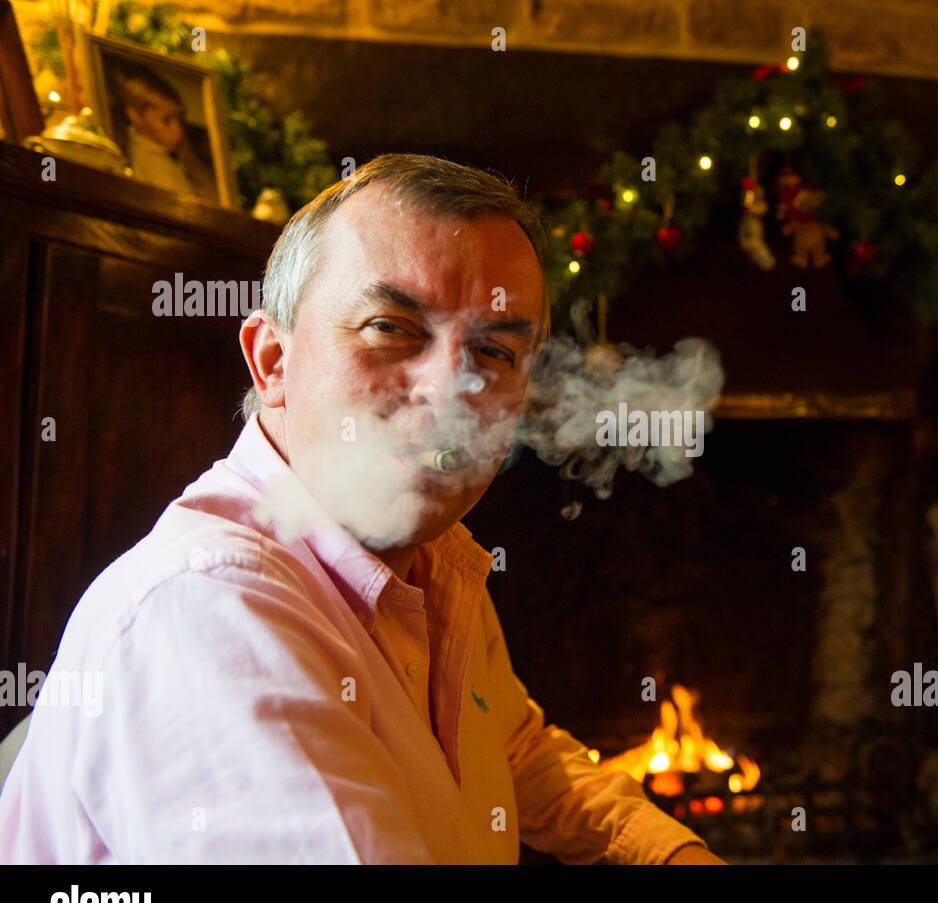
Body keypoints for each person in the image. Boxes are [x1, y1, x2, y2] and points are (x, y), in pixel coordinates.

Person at [0, 154, 724, 864]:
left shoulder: (435, 564)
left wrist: (671, 854)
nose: (451, 391)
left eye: (496, 353)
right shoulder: (211, 607)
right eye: (391, 327)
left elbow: (518, 749)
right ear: (273, 362)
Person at [114, 63, 218, 201]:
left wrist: (191, 163)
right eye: (166, 120)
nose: (179, 131)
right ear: (134, 116)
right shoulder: (146, 164)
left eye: (180, 120)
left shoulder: (174, 151)